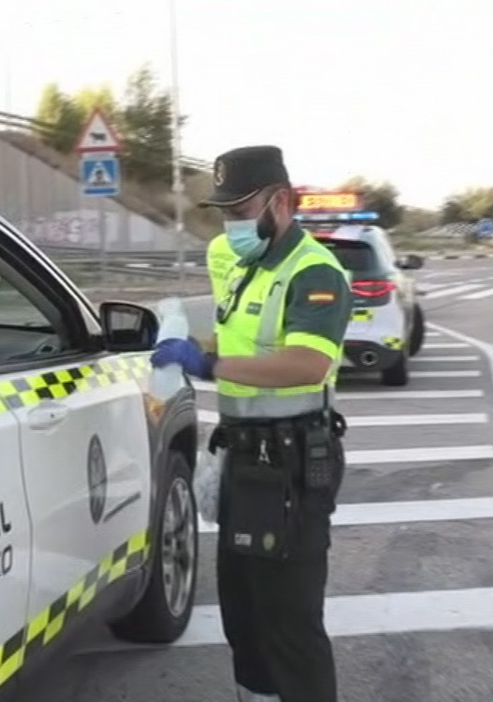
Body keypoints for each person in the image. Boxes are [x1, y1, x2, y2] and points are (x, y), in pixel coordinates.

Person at [152, 145, 351, 702]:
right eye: (224, 211)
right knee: (246, 618)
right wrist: (190, 345)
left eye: (242, 209)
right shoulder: (245, 266)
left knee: (289, 624)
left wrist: (209, 365)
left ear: (281, 201)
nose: (231, 223)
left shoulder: (314, 271)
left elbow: (306, 362)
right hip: (244, 458)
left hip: (291, 464)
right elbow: (245, 342)